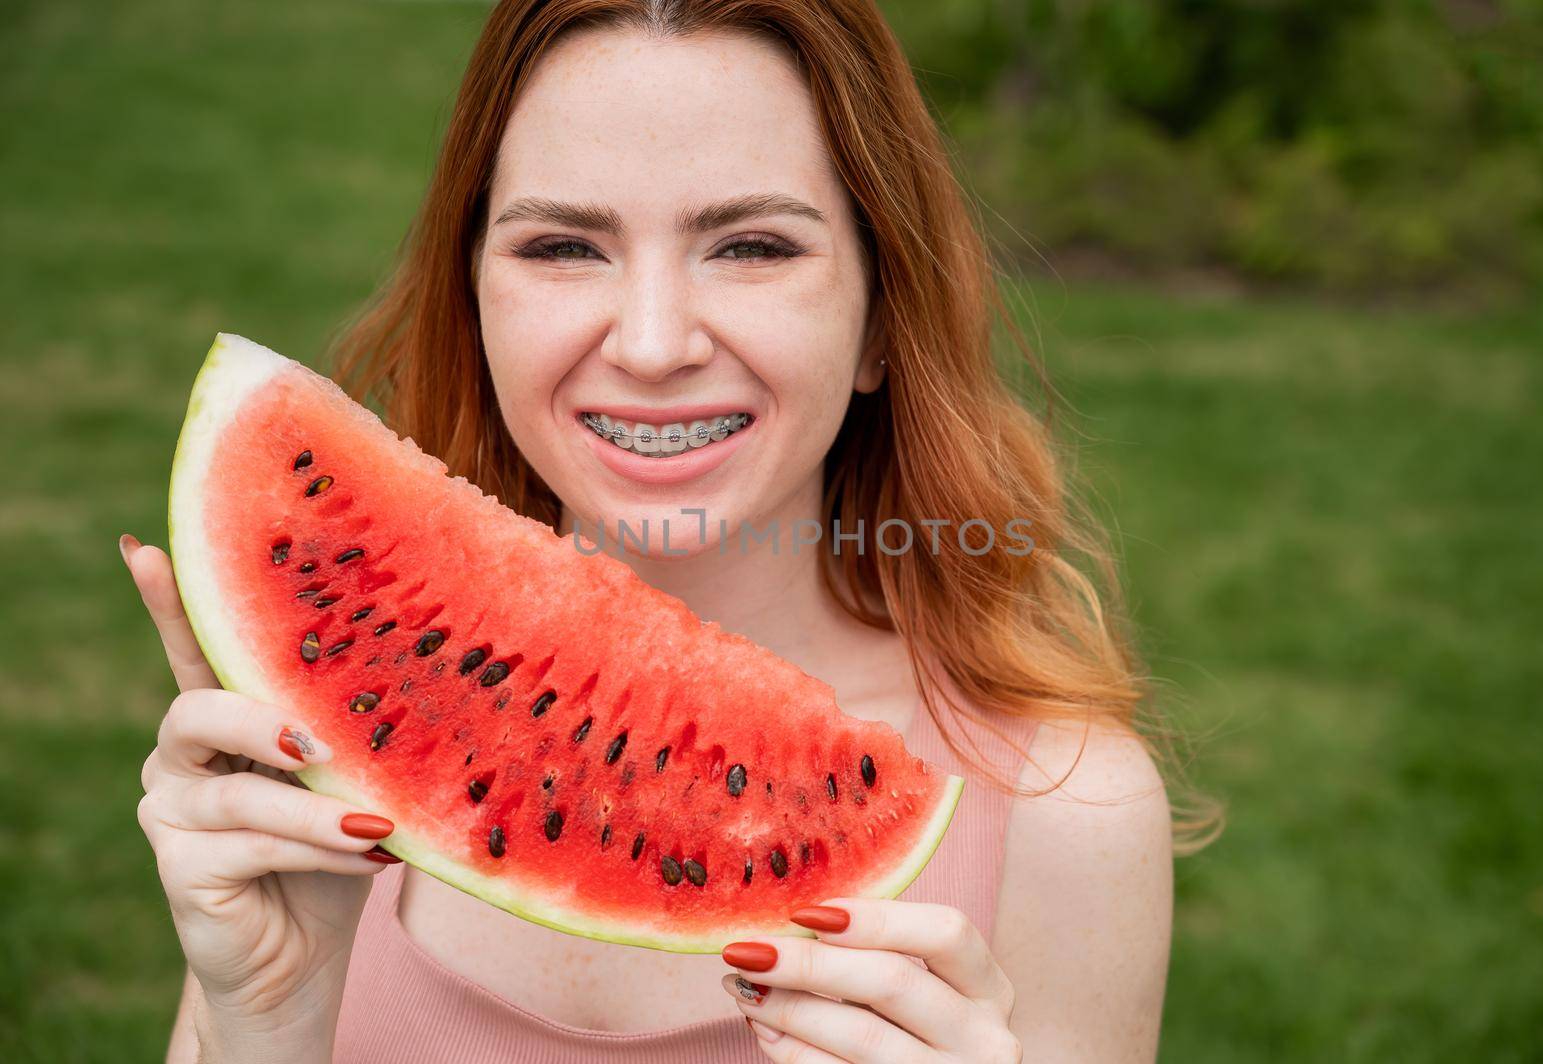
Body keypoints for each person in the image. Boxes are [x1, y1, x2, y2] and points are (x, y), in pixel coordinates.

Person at [124, 1, 1189, 1060]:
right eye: (562, 245)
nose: (650, 341)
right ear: (478, 299)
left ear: (880, 318)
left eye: (752, 245)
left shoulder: (1065, 817)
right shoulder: (318, 745)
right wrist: (265, 1020)